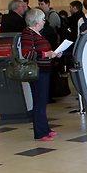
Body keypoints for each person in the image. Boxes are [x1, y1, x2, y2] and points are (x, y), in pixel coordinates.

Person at [21, 9, 61, 141]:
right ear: (36, 21)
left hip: (44, 70)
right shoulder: (27, 33)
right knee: (39, 101)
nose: (45, 21)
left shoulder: (37, 33)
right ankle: (40, 133)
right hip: (37, 72)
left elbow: (41, 50)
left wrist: (54, 53)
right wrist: (46, 54)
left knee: (42, 101)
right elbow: (27, 53)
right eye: (43, 19)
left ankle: (46, 129)